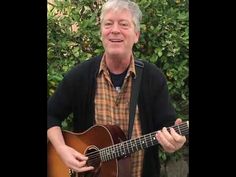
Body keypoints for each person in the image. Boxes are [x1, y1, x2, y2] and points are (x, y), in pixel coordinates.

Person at [47, 0, 187, 177]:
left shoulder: (153, 78)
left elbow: (168, 126)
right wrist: (61, 149)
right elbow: (50, 114)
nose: (114, 30)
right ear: (101, 33)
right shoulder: (80, 76)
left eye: (123, 24)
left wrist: (173, 143)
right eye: (108, 24)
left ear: (136, 34)